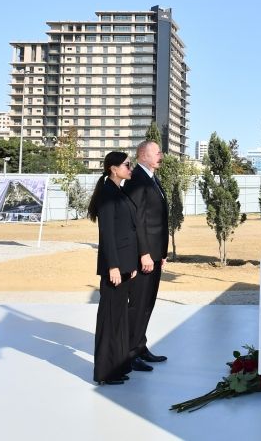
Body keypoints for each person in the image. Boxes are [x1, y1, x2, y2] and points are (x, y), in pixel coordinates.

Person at [88, 151, 139, 386]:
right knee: (109, 319)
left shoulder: (119, 190)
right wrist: (114, 267)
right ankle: (105, 372)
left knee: (119, 318)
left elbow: (128, 230)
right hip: (115, 267)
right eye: (127, 165)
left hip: (126, 265)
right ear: (113, 169)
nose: (130, 168)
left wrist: (132, 265)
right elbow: (107, 234)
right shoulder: (108, 194)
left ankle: (117, 367)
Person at [124, 140, 169, 372]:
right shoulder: (137, 180)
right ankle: (129, 354)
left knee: (147, 303)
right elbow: (137, 221)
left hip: (154, 255)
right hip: (143, 257)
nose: (161, 155)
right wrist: (144, 253)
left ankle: (140, 347)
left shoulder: (151, 177)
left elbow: (158, 220)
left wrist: (161, 252)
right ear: (143, 155)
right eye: (157, 152)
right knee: (138, 304)